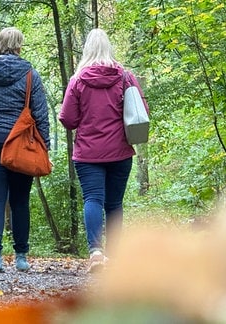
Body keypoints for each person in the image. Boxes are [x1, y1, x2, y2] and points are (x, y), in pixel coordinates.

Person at [59, 28, 149, 272]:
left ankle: (96, 253)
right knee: (114, 203)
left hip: (88, 153)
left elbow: (67, 119)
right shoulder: (125, 77)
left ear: (87, 49)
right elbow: (142, 113)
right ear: (109, 48)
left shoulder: (78, 81)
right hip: (120, 152)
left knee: (92, 199)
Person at [0, 27, 50, 272]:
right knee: (20, 201)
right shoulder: (30, 75)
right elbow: (41, 116)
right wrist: (43, 149)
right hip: (20, 143)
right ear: (19, 46)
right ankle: (21, 258)